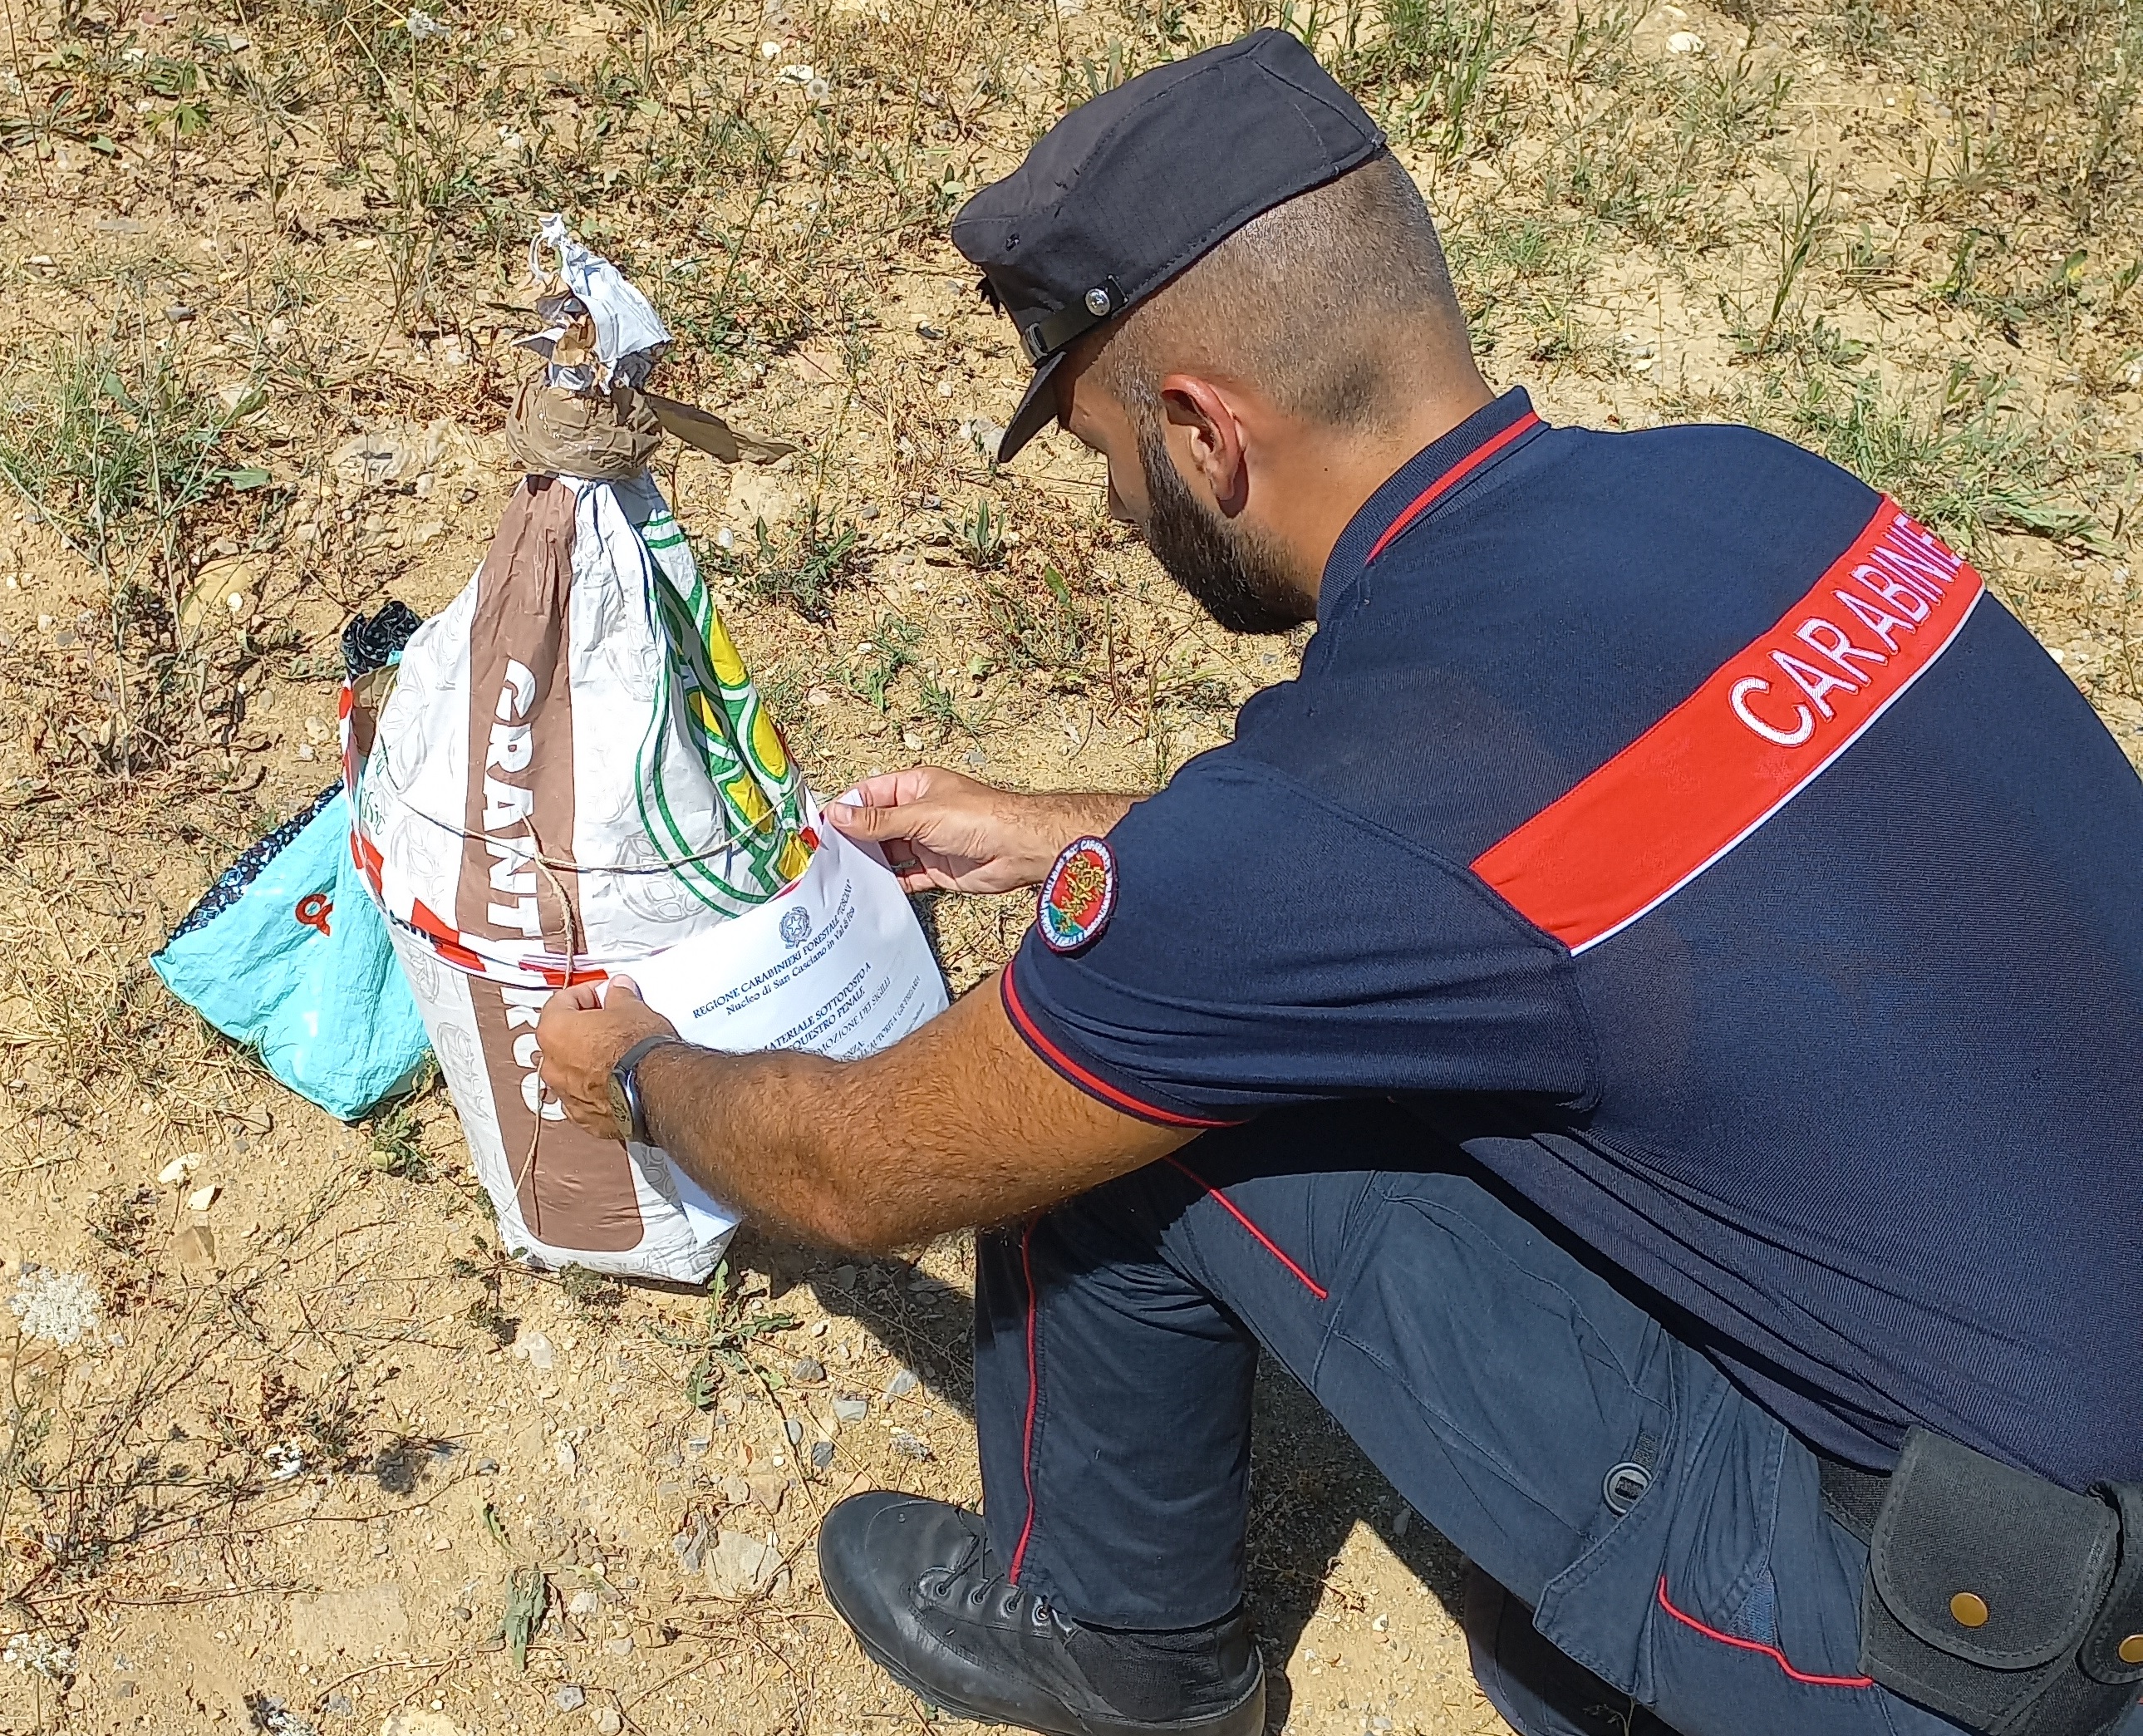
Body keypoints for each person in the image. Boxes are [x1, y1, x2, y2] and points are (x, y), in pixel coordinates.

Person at [536, 31, 2143, 1736]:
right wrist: (1086, 832)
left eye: (1102, 454)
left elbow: (868, 1171)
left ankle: (1103, 1633)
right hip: (2061, 1459)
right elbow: (1592, 870)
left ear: (1203, 431)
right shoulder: (1758, 489)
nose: (1112, 506)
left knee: (1132, 1112)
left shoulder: (1325, 835)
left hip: (1969, 1643)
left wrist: (642, 1072)